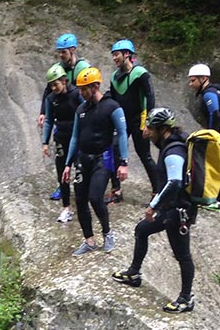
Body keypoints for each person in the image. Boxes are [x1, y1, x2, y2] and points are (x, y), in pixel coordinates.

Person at [110, 107, 196, 313]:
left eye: (150, 128)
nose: (146, 132)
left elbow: (174, 182)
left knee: (183, 256)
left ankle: (186, 299)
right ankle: (134, 273)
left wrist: (153, 206)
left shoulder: (174, 151)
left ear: (162, 129)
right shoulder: (169, 146)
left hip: (178, 212)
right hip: (169, 208)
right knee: (142, 230)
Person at [62, 67, 129, 255]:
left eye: (84, 89)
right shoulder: (81, 110)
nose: (81, 93)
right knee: (80, 199)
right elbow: (75, 137)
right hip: (83, 159)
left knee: (95, 197)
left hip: (104, 158)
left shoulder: (112, 107)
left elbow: (123, 134)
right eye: (80, 89)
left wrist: (123, 162)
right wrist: (68, 163)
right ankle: (89, 240)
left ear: (96, 86)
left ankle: (108, 233)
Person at [108, 39, 159, 200]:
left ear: (127, 54)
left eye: (117, 55)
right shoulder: (114, 77)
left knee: (144, 154)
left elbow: (150, 98)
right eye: (113, 55)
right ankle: (116, 190)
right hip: (123, 121)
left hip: (139, 120)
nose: (114, 58)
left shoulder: (140, 73)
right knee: (114, 149)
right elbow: (114, 100)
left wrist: (149, 124)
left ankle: (157, 191)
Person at [187, 63, 220, 206]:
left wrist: (210, 133)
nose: (190, 84)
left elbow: (214, 114)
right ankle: (219, 197)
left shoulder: (209, 93)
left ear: (203, 78)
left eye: (193, 80)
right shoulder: (213, 91)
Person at [42, 63, 82, 224]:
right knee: (62, 174)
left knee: (80, 172)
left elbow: (85, 111)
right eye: (51, 85)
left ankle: (82, 204)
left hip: (77, 136)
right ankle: (66, 208)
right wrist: (45, 142)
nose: (53, 88)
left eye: (56, 84)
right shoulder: (51, 99)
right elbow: (49, 121)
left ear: (64, 81)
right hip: (61, 138)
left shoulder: (76, 94)